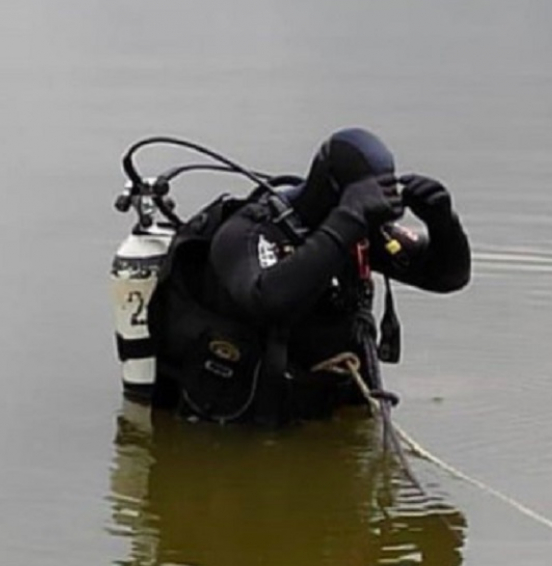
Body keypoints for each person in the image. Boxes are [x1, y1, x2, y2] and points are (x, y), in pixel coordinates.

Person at [148, 127, 471, 425]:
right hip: (242, 421)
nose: (378, 206)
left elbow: (446, 277)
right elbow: (266, 299)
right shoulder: (245, 232)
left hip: (325, 403)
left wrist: (444, 223)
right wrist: (348, 219)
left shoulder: (361, 229)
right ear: (333, 186)